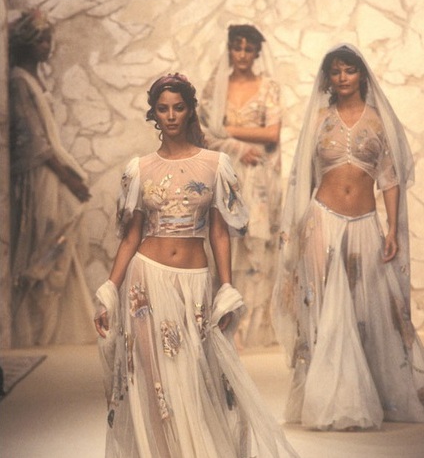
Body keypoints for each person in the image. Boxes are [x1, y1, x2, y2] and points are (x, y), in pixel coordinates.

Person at [94, 73, 299, 458]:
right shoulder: (139, 168)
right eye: (163, 109)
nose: (171, 115)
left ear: (190, 110)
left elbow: (220, 233)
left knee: (192, 376)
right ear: (154, 114)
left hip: (194, 283)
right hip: (145, 281)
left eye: (178, 107)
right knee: (153, 380)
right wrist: (109, 290)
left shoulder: (216, 165)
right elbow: (131, 236)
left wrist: (227, 288)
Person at [272, 44, 424, 431]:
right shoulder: (320, 119)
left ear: (361, 75)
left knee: (364, 308)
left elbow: (389, 178)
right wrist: (294, 230)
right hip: (321, 219)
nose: (342, 77)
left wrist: (393, 229)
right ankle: (329, 400)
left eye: (349, 70)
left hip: (364, 223)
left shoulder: (378, 121)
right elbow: (301, 178)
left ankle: (372, 394)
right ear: (328, 78)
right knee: (326, 306)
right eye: (336, 71)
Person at [8, 8, 95, 347]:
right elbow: (35, 140)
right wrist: (68, 178)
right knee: (46, 235)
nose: (48, 46)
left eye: (48, 40)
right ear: (27, 43)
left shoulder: (31, 79)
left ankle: (50, 325)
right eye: (42, 40)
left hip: (50, 170)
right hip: (40, 174)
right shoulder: (18, 80)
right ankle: (31, 323)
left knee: (60, 236)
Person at [199, 24, 282, 348]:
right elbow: (203, 132)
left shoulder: (268, 86)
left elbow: (272, 133)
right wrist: (236, 145)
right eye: (237, 47)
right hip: (224, 171)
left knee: (255, 247)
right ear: (230, 49)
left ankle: (252, 328)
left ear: (257, 53)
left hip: (257, 176)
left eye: (249, 49)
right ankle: (223, 322)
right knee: (223, 241)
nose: (243, 54)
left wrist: (227, 130)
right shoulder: (215, 86)